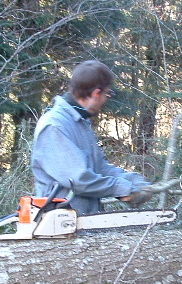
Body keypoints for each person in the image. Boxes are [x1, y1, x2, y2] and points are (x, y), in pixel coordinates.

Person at [31, 60, 153, 214]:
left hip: (84, 219)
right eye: (107, 94)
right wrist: (121, 188)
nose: (105, 100)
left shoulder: (80, 123)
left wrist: (134, 181)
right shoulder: (55, 126)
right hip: (59, 221)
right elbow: (79, 180)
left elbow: (100, 168)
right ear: (96, 94)